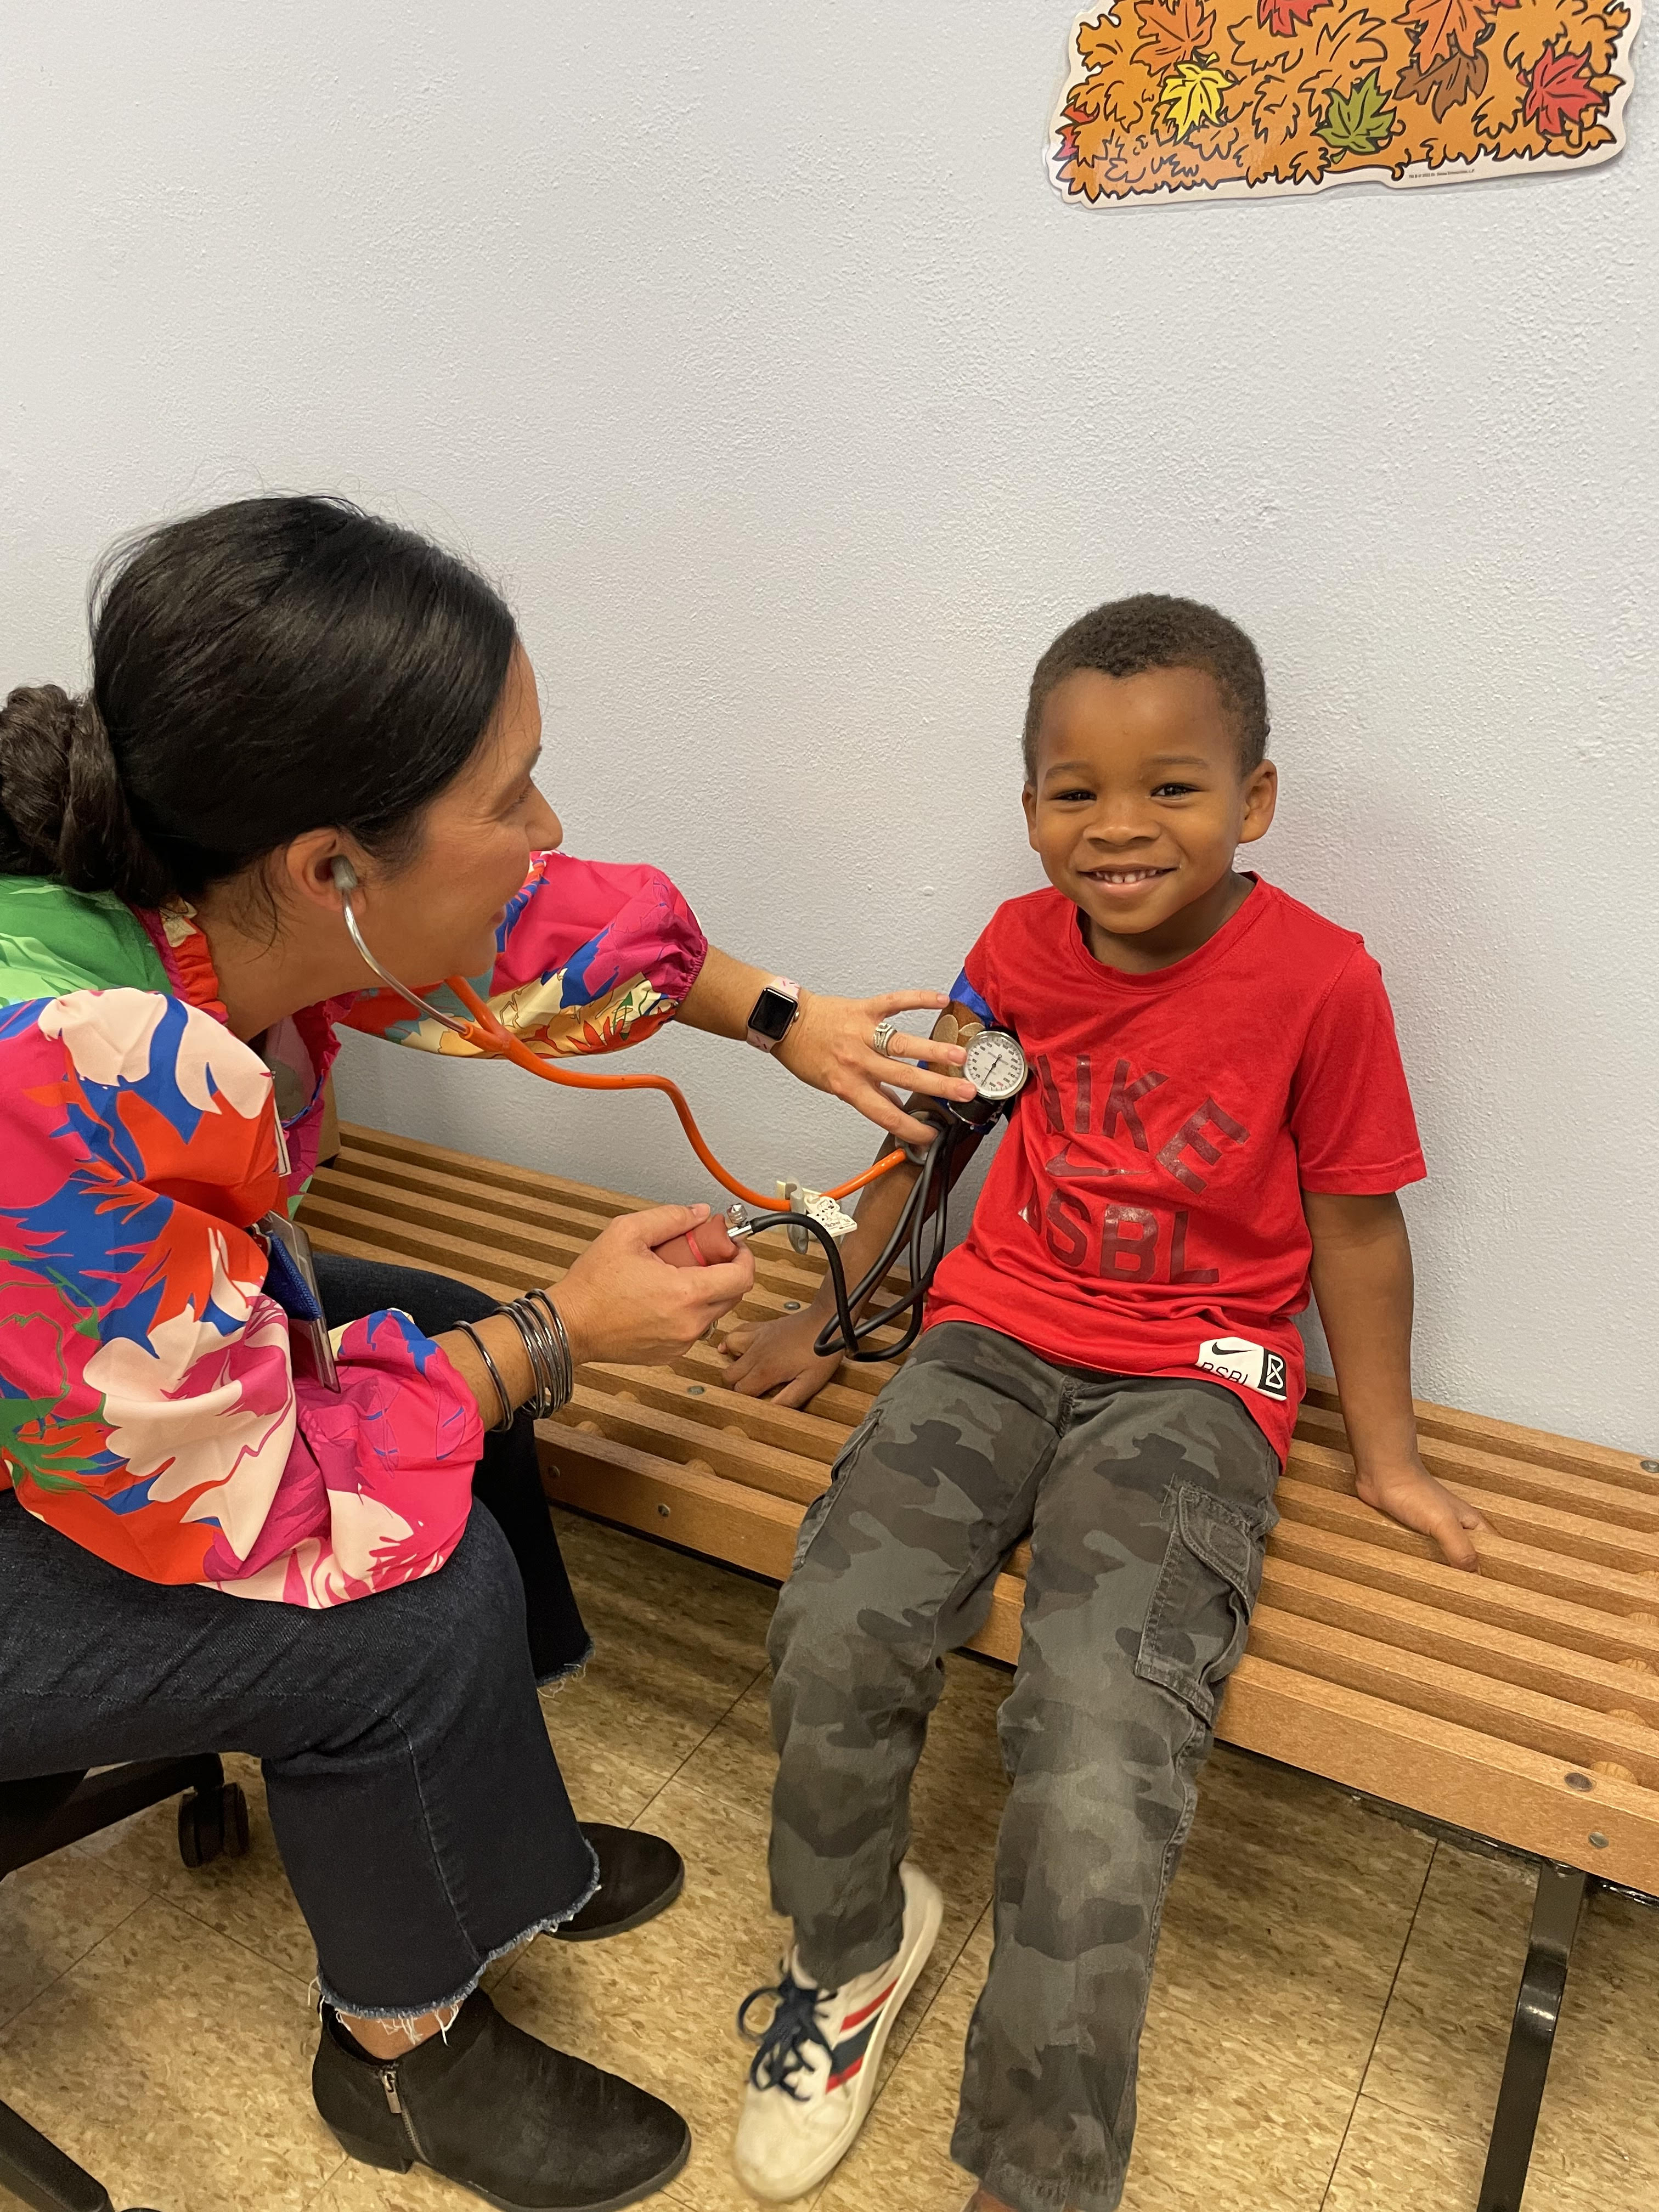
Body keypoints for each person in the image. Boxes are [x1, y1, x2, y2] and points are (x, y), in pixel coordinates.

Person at [0, 494, 980, 2212]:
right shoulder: (58, 1077)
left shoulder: (194, 867)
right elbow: (249, 1501)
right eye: (507, 791)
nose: (546, 824)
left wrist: (789, 1018)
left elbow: (541, 924)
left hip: (79, 1391)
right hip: (84, 1474)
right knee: (410, 1598)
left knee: (438, 1349)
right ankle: (402, 2054)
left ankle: (470, 1828)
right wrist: (558, 1333)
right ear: (330, 868)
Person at [719, 596, 1484, 2212]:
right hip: (989, 1341)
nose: (1120, 826)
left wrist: (1393, 1458)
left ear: (1255, 799)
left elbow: (1356, 1224)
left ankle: (1039, 2168)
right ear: (1030, 809)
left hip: (1196, 1389)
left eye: (1173, 787)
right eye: (1077, 792)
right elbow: (931, 1140)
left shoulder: (1324, 985)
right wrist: (835, 1314)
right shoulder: (1008, 951)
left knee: (1096, 1737)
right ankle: (850, 1955)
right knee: (838, 1621)